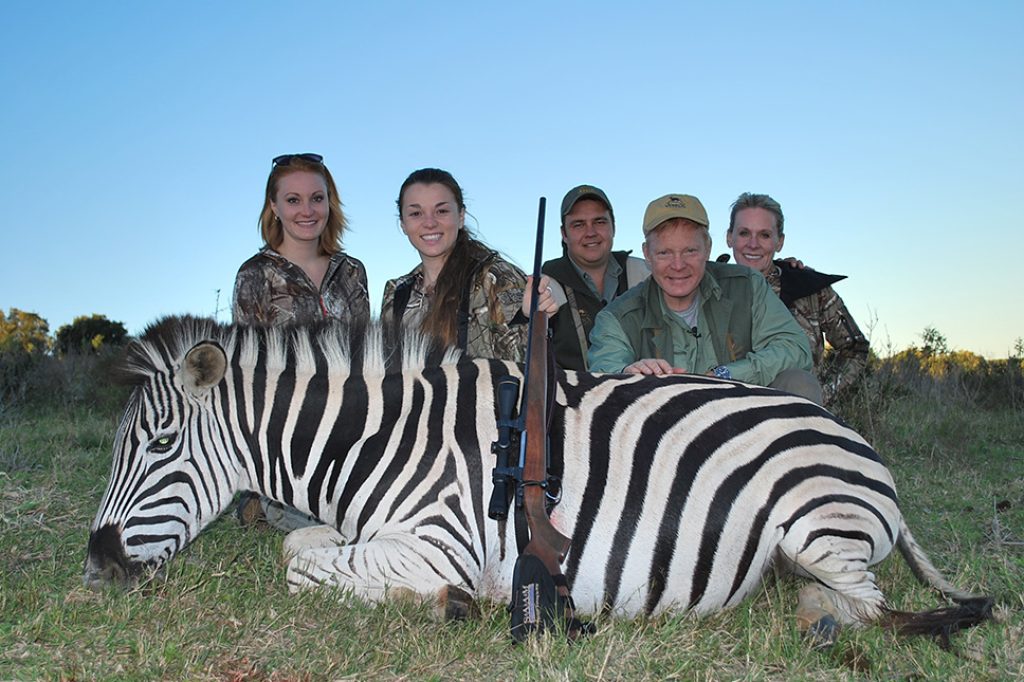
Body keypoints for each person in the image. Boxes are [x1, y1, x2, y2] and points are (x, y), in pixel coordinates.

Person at [232, 152, 370, 530]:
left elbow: (364, 359)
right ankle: (264, 501)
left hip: (354, 429)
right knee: (331, 527)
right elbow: (251, 379)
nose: (307, 210)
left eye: (317, 198)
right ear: (274, 207)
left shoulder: (352, 271)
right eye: (293, 200)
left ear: (330, 202)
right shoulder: (255, 275)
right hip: (288, 438)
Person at [587, 193, 821, 403]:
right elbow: (603, 370)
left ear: (708, 248)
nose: (678, 266)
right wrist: (627, 373)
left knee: (799, 383)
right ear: (647, 255)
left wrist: (728, 376)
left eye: (690, 251)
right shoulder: (616, 317)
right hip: (664, 432)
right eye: (664, 253)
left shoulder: (747, 285)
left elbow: (794, 348)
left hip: (742, 417)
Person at [382, 167, 556, 362]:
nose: (429, 223)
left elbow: (525, 367)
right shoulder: (396, 292)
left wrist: (527, 319)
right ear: (403, 224)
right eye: (416, 213)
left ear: (461, 217)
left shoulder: (496, 277)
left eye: (441, 211)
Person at [724, 192, 869, 405]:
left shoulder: (808, 288)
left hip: (797, 423)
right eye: (744, 233)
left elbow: (855, 348)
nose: (753, 244)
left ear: (779, 241)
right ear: (730, 237)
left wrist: (819, 394)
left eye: (764, 235)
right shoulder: (709, 288)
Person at [541, 185, 649, 371]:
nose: (590, 232)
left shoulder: (645, 273)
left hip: (647, 394)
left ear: (613, 227)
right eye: (578, 224)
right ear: (564, 234)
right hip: (571, 397)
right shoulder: (546, 286)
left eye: (599, 222)